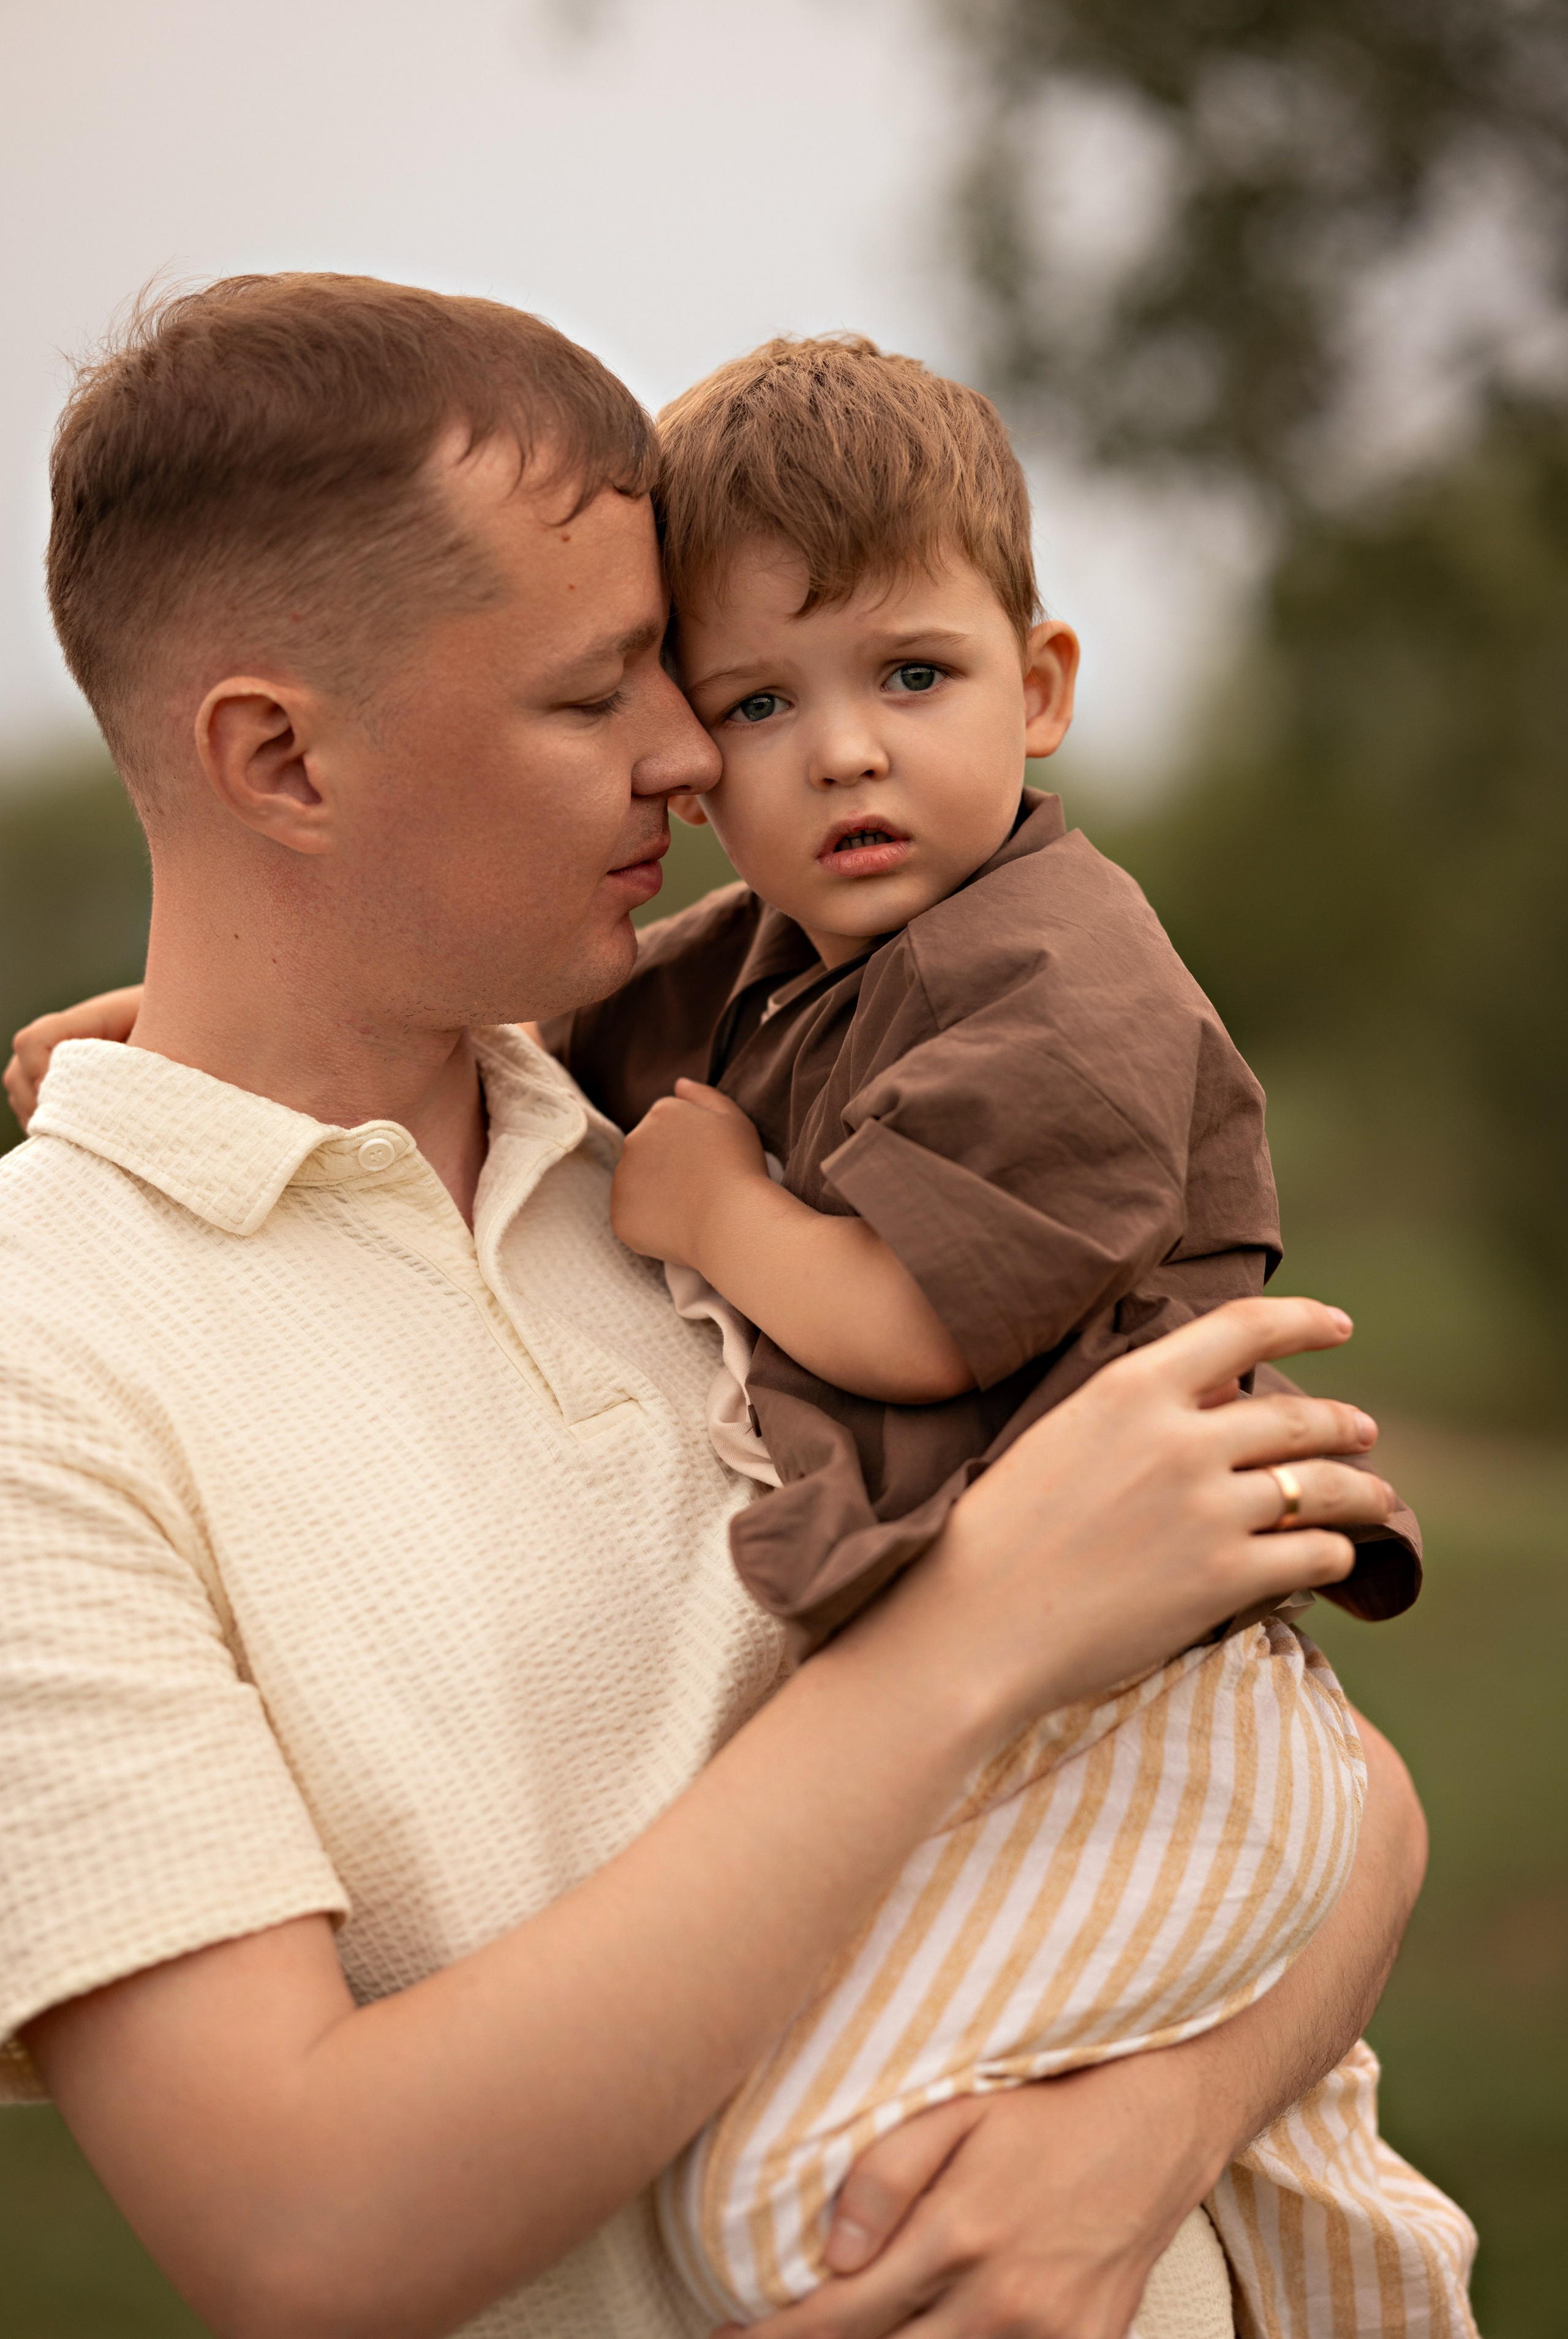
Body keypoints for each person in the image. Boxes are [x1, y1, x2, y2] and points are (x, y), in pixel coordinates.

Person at [1, 272, 1420, 2339]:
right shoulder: (55, 1362)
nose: (694, 756)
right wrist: (978, 1633)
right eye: (604, 700)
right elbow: (300, 2235)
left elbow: (1341, 1790)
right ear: (280, 760)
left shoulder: (715, 1110)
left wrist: (1163, 2123)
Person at [527, 336, 1477, 2334]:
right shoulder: (778, 959)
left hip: (1163, 1712)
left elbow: (913, 1323)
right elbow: (498, 1049)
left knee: (807, 2205)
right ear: (698, 767)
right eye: (762, 704)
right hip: (1035, 1708)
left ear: (1037, 687)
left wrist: (719, 1207)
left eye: (912, 677)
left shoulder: (1074, 986)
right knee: (1303, 2220)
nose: (845, 752)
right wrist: (197, 1037)